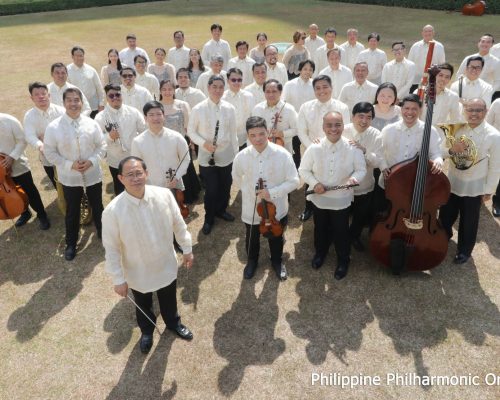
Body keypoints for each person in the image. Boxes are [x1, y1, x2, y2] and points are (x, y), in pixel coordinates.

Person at [102, 156, 194, 355]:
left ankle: (173, 323)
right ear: (120, 179)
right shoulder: (112, 212)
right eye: (130, 175)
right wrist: (118, 279)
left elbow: (178, 224)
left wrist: (187, 248)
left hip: (165, 262)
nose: (135, 178)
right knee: (143, 303)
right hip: (137, 270)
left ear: (146, 174)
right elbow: (111, 248)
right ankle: (147, 331)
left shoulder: (164, 195)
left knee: (169, 297)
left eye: (139, 173)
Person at [299, 111, 366, 280]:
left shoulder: (353, 147)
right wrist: (315, 184)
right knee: (320, 227)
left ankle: (343, 260)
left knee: (341, 230)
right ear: (323, 127)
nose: (334, 129)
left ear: (344, 126)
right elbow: (303, 170)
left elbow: (361, 169)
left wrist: (354, 179)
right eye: (329, 125)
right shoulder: (314, 147)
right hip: (319, 198)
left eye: (338, 124)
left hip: (341, 199)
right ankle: (320, 253)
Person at [232, 116, 299, 280]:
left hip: (277, 207)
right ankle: (252, 261)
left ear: (268, 132)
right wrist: (248, 191)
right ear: (248, 135)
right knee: (251, 237)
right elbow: (236, 177)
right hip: (251, 207)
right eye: (253, 135)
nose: (258, 139)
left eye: (261, 134)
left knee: (276, 236)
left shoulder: (282, 154)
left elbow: (294, 181)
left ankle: (277, 261)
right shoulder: (241, 156)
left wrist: (272, 193)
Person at [44, 88, 105, 260]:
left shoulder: (91, 123)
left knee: (98, 206)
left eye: (76, 100)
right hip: (69, 178)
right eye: (69, 100)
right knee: (72, 211)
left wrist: (92, 160)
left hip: (92, 174)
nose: (73, 103)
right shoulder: (53, 127)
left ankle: (103, 234)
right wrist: (70, 165)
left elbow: (102, 146)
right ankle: (71, 243)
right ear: (63, 103)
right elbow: (50, 152)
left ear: (82, 102)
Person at [439, 98, 500, 263]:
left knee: (469, 220)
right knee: (446, 214)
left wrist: (488, 190)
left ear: (486, 112)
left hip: (475, 186)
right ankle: (442, 237)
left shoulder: (494, 136)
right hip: (453, 181)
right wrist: (453, 149)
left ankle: (464, 250)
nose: (474, 114)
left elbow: (495, 167)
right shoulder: (457, 129)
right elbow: (441, 152)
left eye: (478, 110)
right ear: (465, 111)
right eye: (470, 110)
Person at [187, 75, 238, 235]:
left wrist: (235, 154)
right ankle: (209, 218)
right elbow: (191, 131)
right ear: (208, 88)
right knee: (211, 190)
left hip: (226, 155)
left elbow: (233, 133)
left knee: (226, 185)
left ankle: (221, 210)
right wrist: (204, 144)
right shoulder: (198, 108)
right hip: (206, 156)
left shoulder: (230, 108)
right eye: (214, 87)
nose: (217, 90)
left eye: (221, 87)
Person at [297, 75, 350, 221]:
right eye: (318, 88)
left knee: (333, 177)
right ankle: (309, 208)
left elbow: (345, 130)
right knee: (311, 179)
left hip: (336, 150)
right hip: (311, 150)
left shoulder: (342, 107)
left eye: (325, 87)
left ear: (332, 88)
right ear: (314, 90)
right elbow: (301, 131)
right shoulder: (305, 107)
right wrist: (314, 148)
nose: (322, 91)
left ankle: (334, 207)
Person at [378, 94, 443, 193]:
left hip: (417, 183)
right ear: (401, 109)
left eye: (414, 109)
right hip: (391, 180)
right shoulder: (388, 130)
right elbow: (379, 151)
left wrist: (438, 160)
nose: (410, 112)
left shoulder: (430, 130)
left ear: (420, 110)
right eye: (406, 108)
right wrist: (383, 166)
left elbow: (436, 153)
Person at [342, 102, 383, 251]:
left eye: (369, 117)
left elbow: (377, 161)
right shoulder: (342, 130)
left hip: (365, 184)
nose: (364, 121)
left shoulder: (376, 135)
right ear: (352, 117)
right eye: (360, 116)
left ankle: (354, 236)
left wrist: (364, 150)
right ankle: (340, 236)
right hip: (343, 183)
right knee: (342, 214)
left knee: (360, 215)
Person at [0, 112, 50, 230]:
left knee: (29, 190)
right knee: (12, 192)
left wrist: (12, 157)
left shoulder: (10, 120)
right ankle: (25, 212)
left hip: (18, 163)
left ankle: (41, 214)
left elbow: (22, 140)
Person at [95, 84, 146, 195]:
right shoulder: (100, 117)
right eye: (111, 96)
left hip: (134, 156)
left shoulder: (134, 112)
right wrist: (108, 137)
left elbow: (144, 130)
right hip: (115, 159)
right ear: (106, 98)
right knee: (120, 189)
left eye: (117, 94)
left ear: (122, 95)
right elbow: (96, 140)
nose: (115, 98)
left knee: (138, 185)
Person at [131, 101, 190, 193]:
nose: (156, 118)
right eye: (151, 115)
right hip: (151, 187)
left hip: (174, 184)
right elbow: (137, 167)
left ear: (164, 116)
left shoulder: (177, 137)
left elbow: (186, 159)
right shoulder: (137, 141)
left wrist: (177, 177)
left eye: (159, 114)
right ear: (145, 118)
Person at [159, 80, 201, 204]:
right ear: (160, 91)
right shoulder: (157, 105)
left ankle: (188, 194)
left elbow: (188, 126)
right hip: (164, 143)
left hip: (182, 141)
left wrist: (191, 141)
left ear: (174, 90)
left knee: (185, 168)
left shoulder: (182, 104)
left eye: (170, 89)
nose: (167, 92)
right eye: (164, 89)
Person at [23, 81, 65, 189]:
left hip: (66, 154)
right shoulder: (29, 116)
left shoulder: (61, 110)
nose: (41, 97)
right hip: (47, 157)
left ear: (49, 95)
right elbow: (29, 135)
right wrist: (40, 145)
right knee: (57, 184)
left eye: (43, 93)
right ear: (31, 98)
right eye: (36, 94)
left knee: (72, 183)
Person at [282, 59, 316, 167]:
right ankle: (295, 173)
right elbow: (284, 103)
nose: (307, 72)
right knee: (295, 151)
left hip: (311, 124)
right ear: (300, 70)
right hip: (294, 124)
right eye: (305, 69)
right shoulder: (290, 84)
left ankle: (308, 179)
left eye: (310, 70)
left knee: (310, 151)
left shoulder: (315, 85)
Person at [252, 79, 298, 155]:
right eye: (268, 92)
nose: (271, 95)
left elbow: (297, 129)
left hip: (285, 150)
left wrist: (282, 133)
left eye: (274, 91)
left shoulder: (289, 109)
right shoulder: (257, 109)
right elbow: (252, 131)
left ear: (280, 92)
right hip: (262, 151)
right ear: (264, 93)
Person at [67, 46, 105, 118]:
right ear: (72, 56)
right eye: (77, 56)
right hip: (75, 108)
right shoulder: (67, 71)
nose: (80, 58)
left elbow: (99, 88)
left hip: (93, 108)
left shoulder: (91, 70)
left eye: (81, 56)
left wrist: (101, 104)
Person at [407, 25, 446, 93]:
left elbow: (442, 65)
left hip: (432, 82)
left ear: (433, 33)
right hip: (416, 81)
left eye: (430, 31)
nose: (427, 33)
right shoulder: (415, 46)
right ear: (422, 33)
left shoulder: (439, 46)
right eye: (425, 31)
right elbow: (409, 64)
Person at [222, 68, 255, 149]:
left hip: (246, 139)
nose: (237, 82)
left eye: (239, 80)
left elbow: (252, 117)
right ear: (228, 81)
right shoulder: (222, 98)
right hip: (227, 141)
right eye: (233, 80)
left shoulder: (249, 96)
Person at [486, 98, 500, 216]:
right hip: (494, 145)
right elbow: (487, 123)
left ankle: (498, 202)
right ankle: (479, 194)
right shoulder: (497, 103)